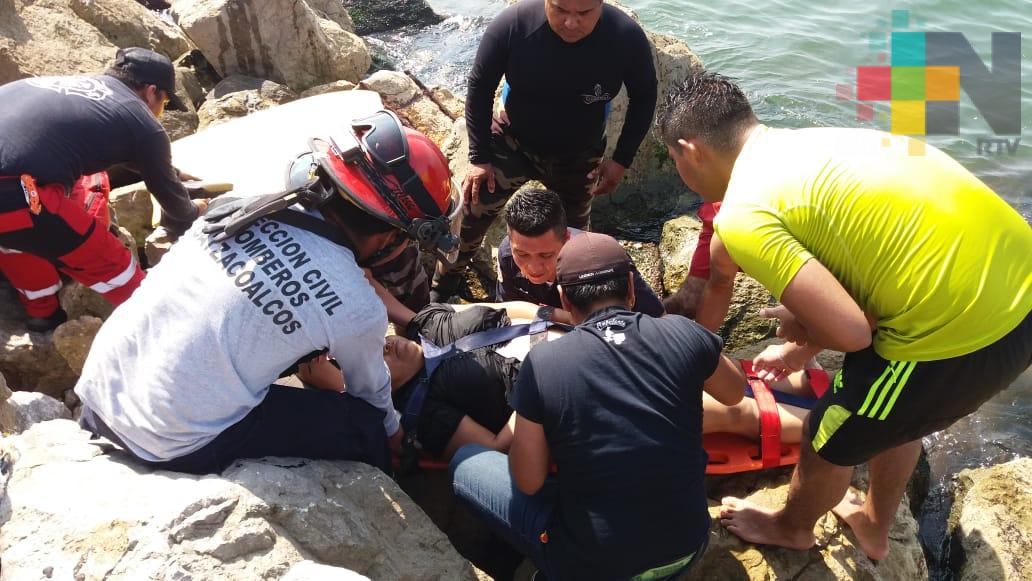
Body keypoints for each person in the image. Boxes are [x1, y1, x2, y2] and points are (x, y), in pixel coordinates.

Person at [658, 71, 1032, 560]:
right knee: (898, 415)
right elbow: (873, 260)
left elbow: (853, 332)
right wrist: (804, 338)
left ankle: (791, 526)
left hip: (963, 334)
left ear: (689, 149)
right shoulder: (814, 146)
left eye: (673, 160)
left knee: (828, 431)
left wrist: (805, 329)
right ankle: (876, 525)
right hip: (1016, 291)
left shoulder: (746, 211)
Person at [75, 111, 460, 475]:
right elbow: (371, 395)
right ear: (391, 233)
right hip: (167, 437)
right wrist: (394, 437)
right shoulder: (355, 306)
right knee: (362, 426)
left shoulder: (241, 208)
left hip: (100, 387)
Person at [450, 232, 746, 580]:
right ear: (632, 290)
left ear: (564, 298)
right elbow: (734, 391)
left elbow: (527, 481)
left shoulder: (545, 363)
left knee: (464, 462)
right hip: (687, 549)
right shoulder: (685, 333)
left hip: (594, 569)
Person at [431, 0, 658, 300]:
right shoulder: (514, 25)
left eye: (584, 13)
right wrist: (479, 157)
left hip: (579, 153)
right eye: (561, 10)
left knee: (575, 240)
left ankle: (570, 301)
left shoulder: (624, 37)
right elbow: (480, 86)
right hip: (513, 141)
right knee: (472, 210)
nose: (571, 23)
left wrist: (621, 160)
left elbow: (645, 97)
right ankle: (441, 289)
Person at [0, 47, 207, 331]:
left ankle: (42, 312)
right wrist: (196, 209)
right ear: (151, 91)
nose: (161, 111)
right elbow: (178, 212)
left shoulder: (59, 87)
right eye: (166, 102)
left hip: (13, 194)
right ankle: (170, 331)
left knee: (17, 234)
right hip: (19, 196)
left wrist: (173, 174)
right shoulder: (143, 122)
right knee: (112, 263)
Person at [497, 188, 664, 322]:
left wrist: (553, 315)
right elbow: (506, 310)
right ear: (510, 242)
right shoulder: (506, 255)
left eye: (546, 255)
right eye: (522, 254)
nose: (534, 268)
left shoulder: (601, 260)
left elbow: (657, 318)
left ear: (567, 238)